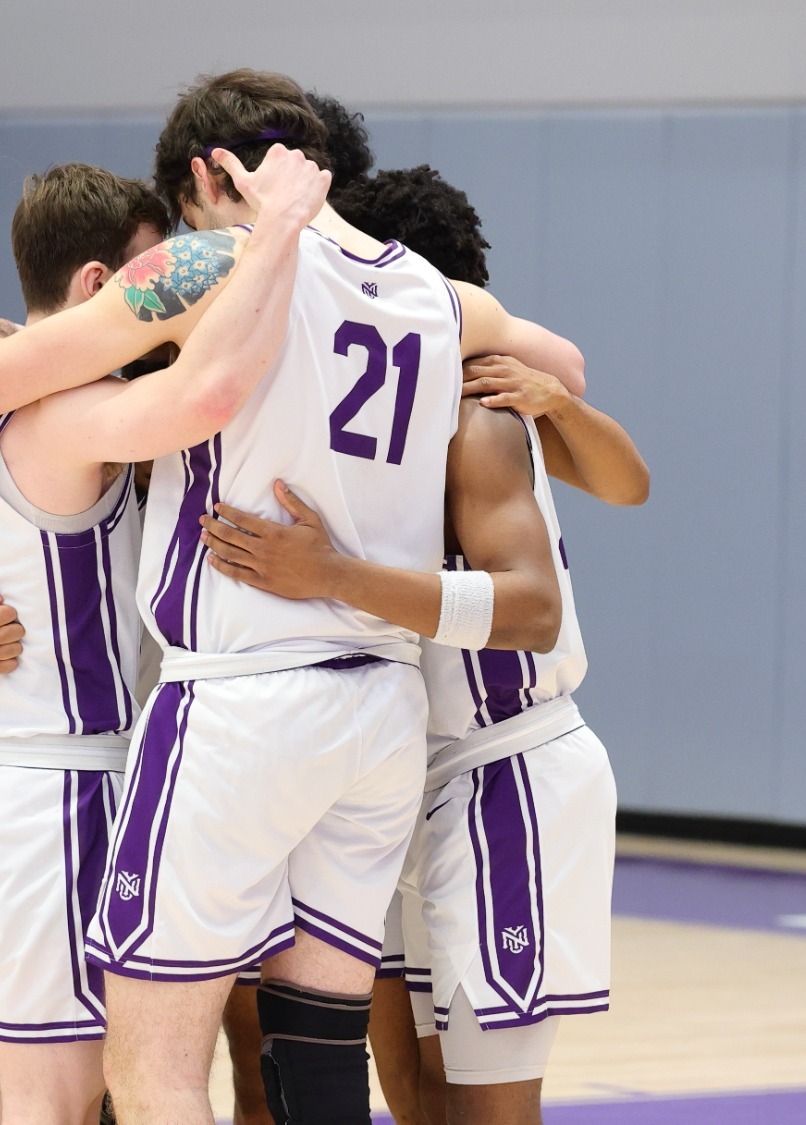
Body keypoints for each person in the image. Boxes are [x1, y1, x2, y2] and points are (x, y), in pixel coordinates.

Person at [0, 69, 585, 1125]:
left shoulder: (208, 261)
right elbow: (558, 360)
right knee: (315, 1061)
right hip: (381, 709)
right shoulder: (430, 294)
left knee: (149, 1066)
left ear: (208, 176)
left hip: (238, 698)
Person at [0, 151, 327, 1125]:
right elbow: (206, 395)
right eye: (145, 278)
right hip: (51, 791)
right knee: (60, 1101)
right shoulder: (68, 414)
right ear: (94, 286)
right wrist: (269, 234)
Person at [212, 161, 650, 1125]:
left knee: (487, 1104)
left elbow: (582, 545)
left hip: (507, 770)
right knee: (414, 1089)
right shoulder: (367, 423)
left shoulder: (478, 406)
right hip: (407, 776)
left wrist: (328, 573)